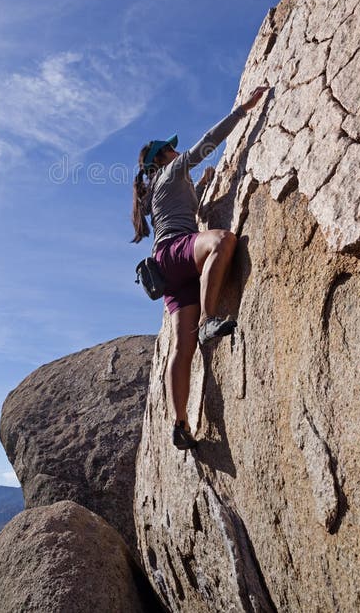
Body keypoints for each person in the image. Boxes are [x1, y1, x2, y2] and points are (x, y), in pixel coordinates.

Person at [131, 85, 270, 450]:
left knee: (182, 346)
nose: (178, 151)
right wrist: (245, 110)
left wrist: (204, 185)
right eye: (172, 148)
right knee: (223, 241)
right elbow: (207, 142)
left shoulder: (157, 190)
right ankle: (209, 319)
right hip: (178, 253)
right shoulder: (173, 169)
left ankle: (179, 423)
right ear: (164, 156)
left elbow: (185, 211)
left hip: (169, 269)